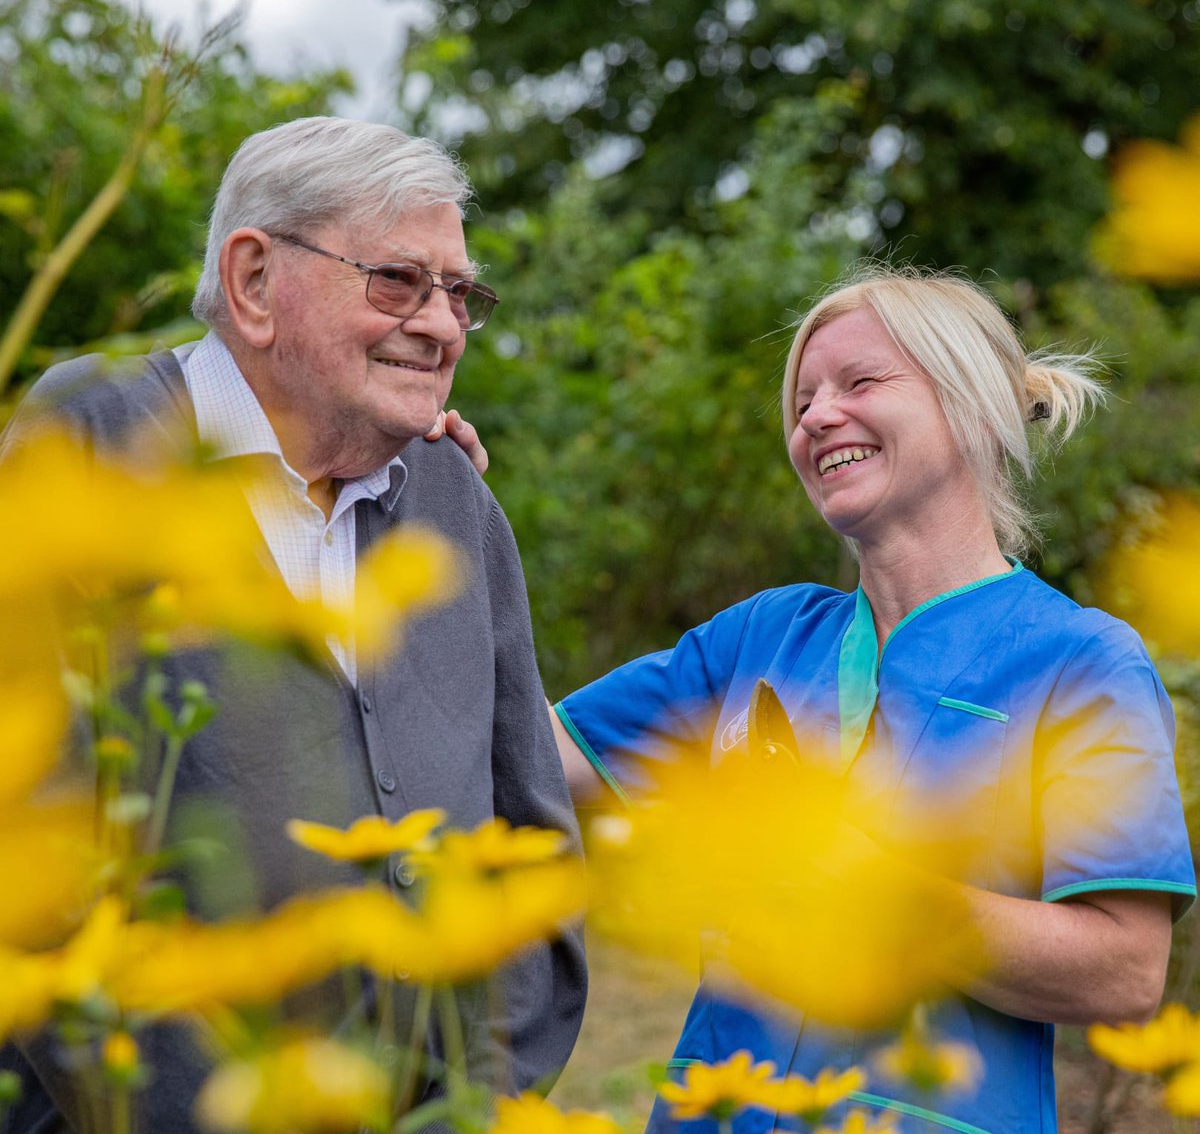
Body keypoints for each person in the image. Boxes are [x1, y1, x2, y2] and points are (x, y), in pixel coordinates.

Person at [0, 116, 585, 1132]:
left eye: (460, 294)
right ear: (255, 281)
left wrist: (473, 1110)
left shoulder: (453, 497)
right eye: (398, 281)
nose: (443, 325)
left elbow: (533, 839)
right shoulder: (90, 440)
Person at [549, 267, 1195, 1133]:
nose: (816, 416)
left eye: (860, 382)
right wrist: (425, 501)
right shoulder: (758, 640)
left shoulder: (1081, 663)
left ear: (968, 407)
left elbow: (1123, 972)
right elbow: (512, 756)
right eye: (804, 399)